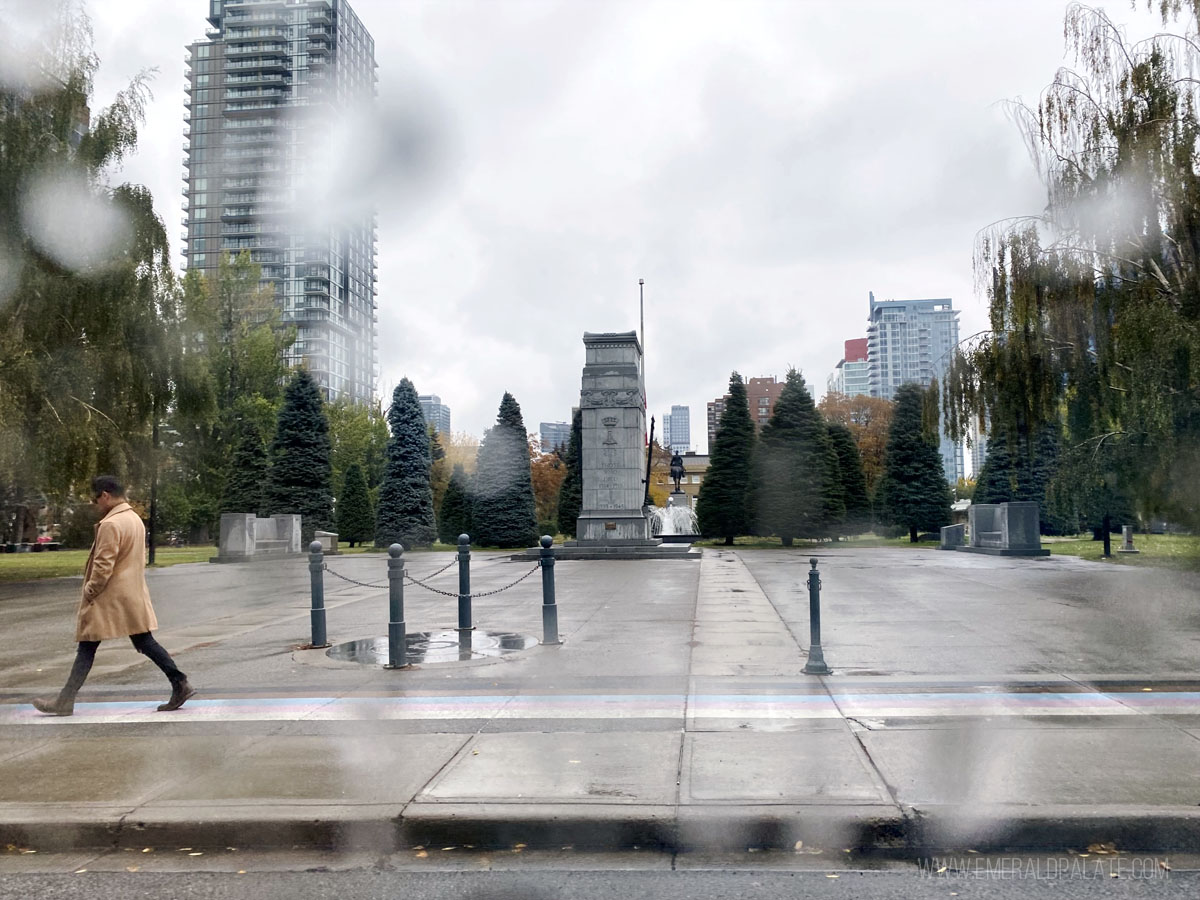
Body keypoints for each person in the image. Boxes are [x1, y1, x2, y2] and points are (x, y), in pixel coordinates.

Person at [33, 475, 195, 716]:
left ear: (106, 495)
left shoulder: (111, 524)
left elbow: (103, 565)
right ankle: (179, 682)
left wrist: (90, 590)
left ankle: (65, 701)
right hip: (131, 594)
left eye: (96, 499)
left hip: (109, 597)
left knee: (87, 647)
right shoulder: (134, 520)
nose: (96, 504)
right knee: (144, 642)